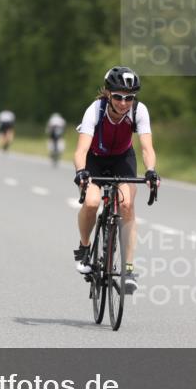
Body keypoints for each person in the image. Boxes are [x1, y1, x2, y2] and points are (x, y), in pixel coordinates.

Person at [73, 66, 159, 293]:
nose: (123, 103)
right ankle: (84, 248)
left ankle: (127, 269)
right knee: (91, 202)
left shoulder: (139, 111)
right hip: (95, 158)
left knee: (127, 204)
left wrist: (151, 170)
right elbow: (80, 150)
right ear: (109, 94)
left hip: (123, 159)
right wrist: (81, 172)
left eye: (129, 98)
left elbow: (147, 148)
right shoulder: (95, 109)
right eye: (119, 97)